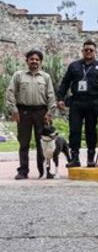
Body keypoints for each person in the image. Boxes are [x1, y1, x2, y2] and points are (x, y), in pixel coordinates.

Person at [57, 40, 98, 168]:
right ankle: (75, 158)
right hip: (77, 102)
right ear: (82, 51)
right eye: (86, 50)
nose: (88, 52)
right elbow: (65, 83)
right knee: (74, 130)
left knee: (91, 131)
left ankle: (90, 158)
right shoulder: (74, 66)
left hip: (93, 103)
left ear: (95, 52)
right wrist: (60, 98)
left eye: (91, 50)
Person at [5, 50, 56, 179]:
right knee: (24, 143)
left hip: (41, 113)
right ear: (27, 61)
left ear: (41, 62)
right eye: (31, 59)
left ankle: (44, 171)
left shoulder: (46, 77)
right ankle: (23, 171)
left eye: (37, 59)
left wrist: (50, 112)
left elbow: (51, 96)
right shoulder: (18, 75)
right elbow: (10, 93)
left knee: (43, 144)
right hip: (23, 112)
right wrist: (14, 111)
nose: (34, 61)